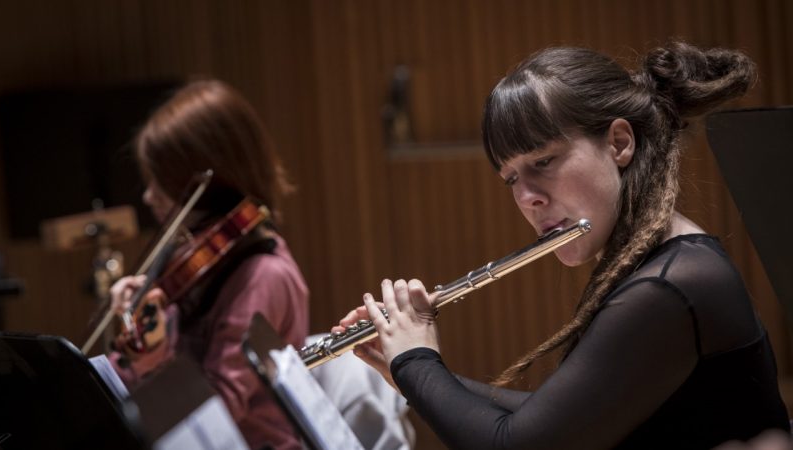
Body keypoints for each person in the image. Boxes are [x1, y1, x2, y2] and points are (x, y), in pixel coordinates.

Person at [337, 42, 791, 449]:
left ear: (618, 142)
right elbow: (555, 418)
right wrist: (408, 373)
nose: (526, 196)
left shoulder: (670, 287)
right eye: (512, 177)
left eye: (544, 160)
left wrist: (417, 361)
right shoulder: (663, 264)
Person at [107, 79, 309, 449]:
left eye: (161, 181)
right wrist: (131, 332)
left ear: (208, 179)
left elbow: (218, 409)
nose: (149, 196)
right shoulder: (194, 265)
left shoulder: (263, 275)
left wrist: (151, 362)